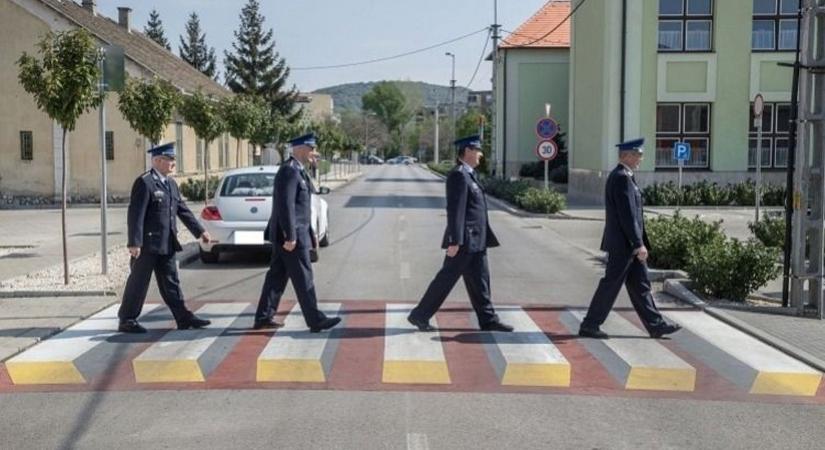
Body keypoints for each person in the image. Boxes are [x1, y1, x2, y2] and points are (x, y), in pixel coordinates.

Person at [578, 138, 682, 339]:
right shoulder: (621, 178)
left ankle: (656, 325)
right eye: (637, 155)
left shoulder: (624, 176)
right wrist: (638, 244)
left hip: (627, 244)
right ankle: (590, 325)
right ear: (626, 156)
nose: (640, 159)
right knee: (610, 285)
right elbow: (627, 215)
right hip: (624, 245)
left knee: (641, 286)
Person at [408, 135, 513, 333]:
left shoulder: (470, 174)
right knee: (446, 279)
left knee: (480, 281)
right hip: (465, 241)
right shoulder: (458, 175)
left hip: (478, 239)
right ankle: (420, 315)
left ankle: (488, 319)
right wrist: (455, 240)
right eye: (477, 150)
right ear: (468, 151)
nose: (481, 154)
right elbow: (455, 210)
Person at [118, 142, 212, 333]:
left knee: (171, 282)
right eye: (169, 159)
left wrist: (200, 231)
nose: (173, 163)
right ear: (157, 161)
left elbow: (182, 210)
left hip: (167, 243)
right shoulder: (145, 182)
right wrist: (134, 242)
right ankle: (127, 319)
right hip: (147, 245)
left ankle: (183, 317)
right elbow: (135, 214)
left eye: (173, 159)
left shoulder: (171, 184)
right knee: (138, 282)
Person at [254, 133, 341, 332]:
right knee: (304, 277)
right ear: (300, 148)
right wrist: (290, 236)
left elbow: (303, 204)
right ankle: (315, 320)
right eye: (312, 149)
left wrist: (308, 233)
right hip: (292, 236)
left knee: (277, 276)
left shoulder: (298, 170)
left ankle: (263, 316)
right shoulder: (289, 171)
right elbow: (286, 206)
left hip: (295, 233)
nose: (314, 153)